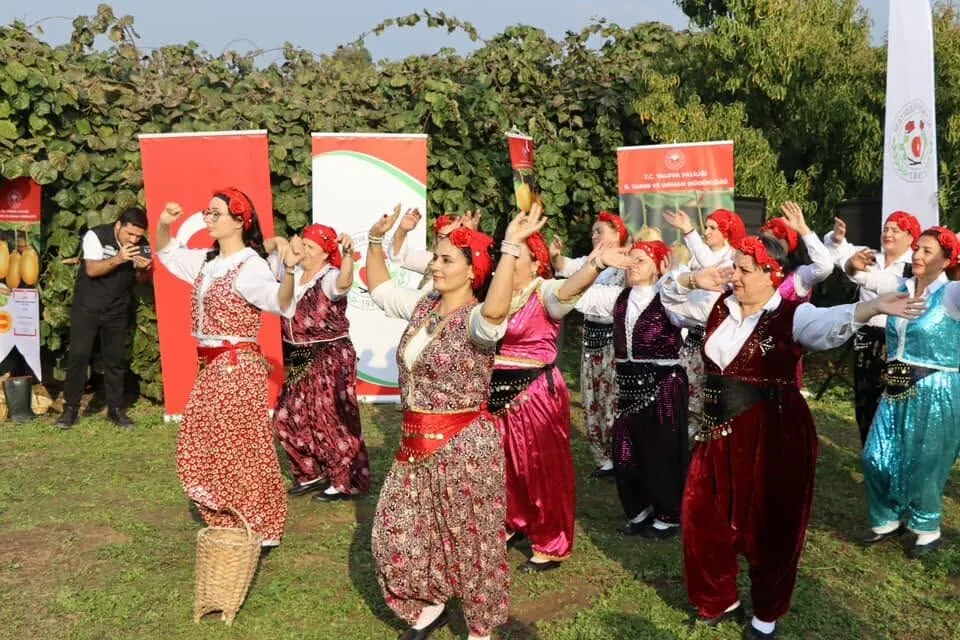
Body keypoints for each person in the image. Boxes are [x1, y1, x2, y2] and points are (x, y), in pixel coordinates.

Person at [660, 235, 924, 639]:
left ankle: (766, 612)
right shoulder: (716, 308)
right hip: (718, 432)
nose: (738, 277)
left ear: (772, 273)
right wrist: (694, 276)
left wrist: (871, 307)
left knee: (773, 524)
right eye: (736, 268)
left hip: (774, 432)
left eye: (747, 270)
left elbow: (831, 322)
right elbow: (671, 300)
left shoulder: (791, 316)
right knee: (702, 516)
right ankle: (718, 597)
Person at [367, 205, 546, 640]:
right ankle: (428, 607)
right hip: (413, 446)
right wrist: (375, 241)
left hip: (463, 448)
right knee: (393, 533)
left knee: (474, 544)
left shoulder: (477, 319)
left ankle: (481, 628)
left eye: (447, 260)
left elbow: (497, 312)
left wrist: (509, 246)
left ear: (472, 271)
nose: (435, 265)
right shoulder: (425, 305)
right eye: (436, 257)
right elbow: (379, 288)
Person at [493, 206, 635, 573]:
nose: (505, 262)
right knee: (505, 465)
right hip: (497, 394)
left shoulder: (546, 292)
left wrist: (597, 264)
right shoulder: (498, 293)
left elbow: (571, 288)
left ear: (535, 262)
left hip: (535, 393)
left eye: (515, 256)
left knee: (540, 468)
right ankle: (514, 522)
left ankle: (551, 539)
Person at [155, 189, 297, 551]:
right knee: (208, 442)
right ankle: (232, 514)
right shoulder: (207, 261)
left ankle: (261, 523)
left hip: (237, 365)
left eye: (216, 213)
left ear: (239, 221)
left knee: (243, 446)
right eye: (207, 212)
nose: (208, 219)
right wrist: (164, 225)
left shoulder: (250, 265)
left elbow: (279, 302)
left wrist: (291, 272)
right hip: (212, 366)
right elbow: (166, 251)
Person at [849, 227, 960, 558]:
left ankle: (926, 527)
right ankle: (886, 518)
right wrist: (850, 264)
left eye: (927, 251)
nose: (917, 255)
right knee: (874, 457)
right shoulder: (902, 287)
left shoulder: (952, 294)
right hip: (895, 385)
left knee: (926, 462)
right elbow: (858, 277)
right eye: (917, 249)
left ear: (946, 259)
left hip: (936, 387)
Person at [575, 240, 689, 539]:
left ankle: (668, 513)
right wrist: (595, 260)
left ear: (659, 267)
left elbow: (692, 304)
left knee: (660, 452)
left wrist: (676, 276)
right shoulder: (617, 297)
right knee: (624, 453)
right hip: (628, 387)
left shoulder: (667, 298)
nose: (633, 264)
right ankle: (639, 509)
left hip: (663, 383)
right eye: (631, 259)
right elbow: (576, 294)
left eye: (641, 259)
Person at [266, 225, 370, 502]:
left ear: (325, 253)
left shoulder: (330, 277)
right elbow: (269, 247)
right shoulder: (294, 273)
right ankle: (309, 472)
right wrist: (283, 242)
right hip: (301, 353)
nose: (305, 251)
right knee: (289, 413)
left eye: (311, 247)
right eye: (305, 246)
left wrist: (348, 255)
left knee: (331, 417)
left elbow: (344, 284)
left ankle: (344, 480)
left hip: (331, 352)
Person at [824, 211, 920, 445]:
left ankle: (892, 457)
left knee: (894, 401)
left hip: (898, 341)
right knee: (864, 400)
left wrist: (854, 271)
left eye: (895, 230)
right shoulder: (871, 257)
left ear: (910, 237)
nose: (888, 234)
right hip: (866, 338)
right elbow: (839, 255)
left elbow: (893, 288)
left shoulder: (914, 267)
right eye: (886, 229)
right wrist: (837, 238)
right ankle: (870, 456)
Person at [549, 211, 629, 478]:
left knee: (612, 398)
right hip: (591, 337)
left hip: (613, 340)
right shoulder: (590, 260)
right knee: (591, 397)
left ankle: (620, 454)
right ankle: (604, 459)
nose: (594, 235)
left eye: (600, 231)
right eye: (593, 232)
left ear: (617, 233)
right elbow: (565, 268)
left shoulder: (627, 261)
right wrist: (556, 256)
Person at [57, 208, 152, 429]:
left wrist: (144, 270)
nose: (134, 239)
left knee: (115, 361)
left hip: (117, 310)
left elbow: (141, 279)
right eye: (130, 234)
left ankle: (115, 409)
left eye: (138, 235)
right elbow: (91, 269)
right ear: (118, 225)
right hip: (87, 307)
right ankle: (70, 409)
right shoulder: (96, 236)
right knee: (79, 358)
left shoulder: (142, 243)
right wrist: (119, 258)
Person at [663, 208, 747, 440]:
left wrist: (689, 231)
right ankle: (685, 443)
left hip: (716, 338)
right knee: (685, 390)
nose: (706, 232)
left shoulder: (733, 258)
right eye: (706, 227)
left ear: (727, 232)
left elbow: (713, 269)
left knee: (709, 396)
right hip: (691, 334)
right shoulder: (696, 256)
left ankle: (702, 446)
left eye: (712, 228)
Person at [757, 202, 834, 385]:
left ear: (788, 244)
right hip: (751, 352)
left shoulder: (799, 276)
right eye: (763, 242)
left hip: (783, 356)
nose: (766, 247)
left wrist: (803, 229)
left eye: (773, 242)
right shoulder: (753, 272)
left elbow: (825, 267)